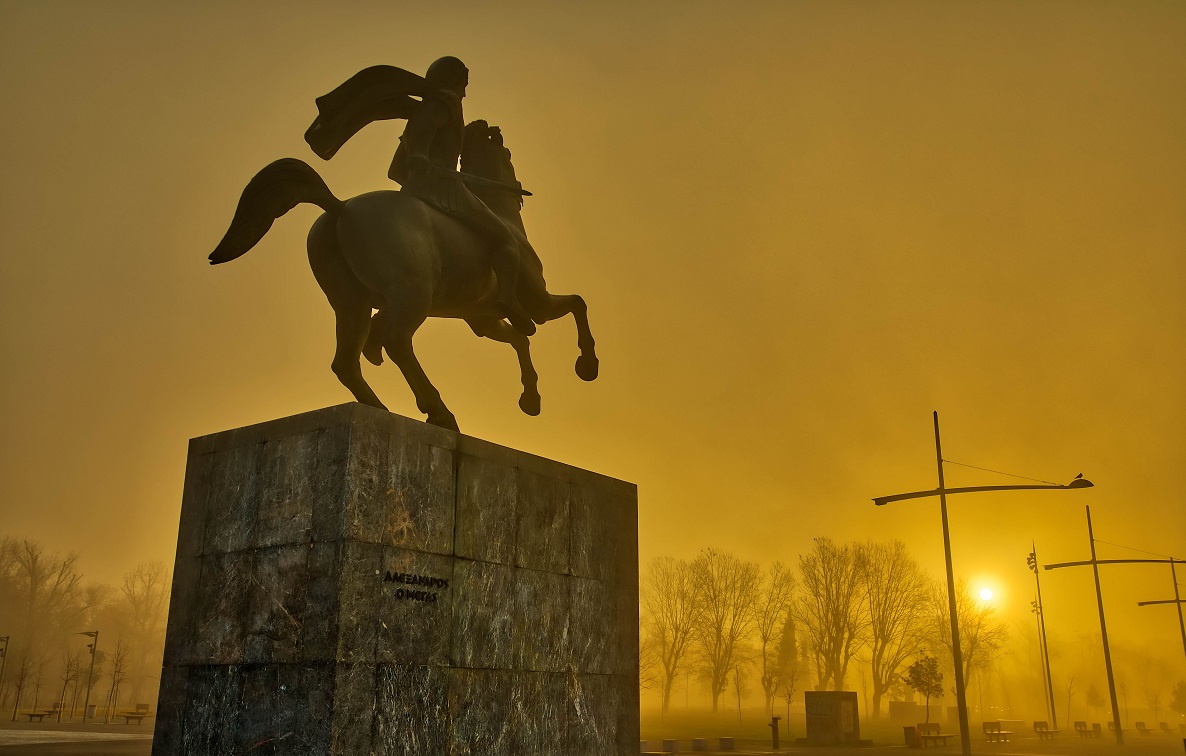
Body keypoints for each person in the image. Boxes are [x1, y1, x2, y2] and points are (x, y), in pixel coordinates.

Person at [387, 56, 535, 335]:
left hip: (412, 191)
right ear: (453, 82)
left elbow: (395, 171)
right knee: (504, 237)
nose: (464, 92)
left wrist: (417, 163)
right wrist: (423, 158)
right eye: (463, 85)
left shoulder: (417, 116)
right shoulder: (445, 102)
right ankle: (508, 299)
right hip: (443, 190)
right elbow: (427, 125)